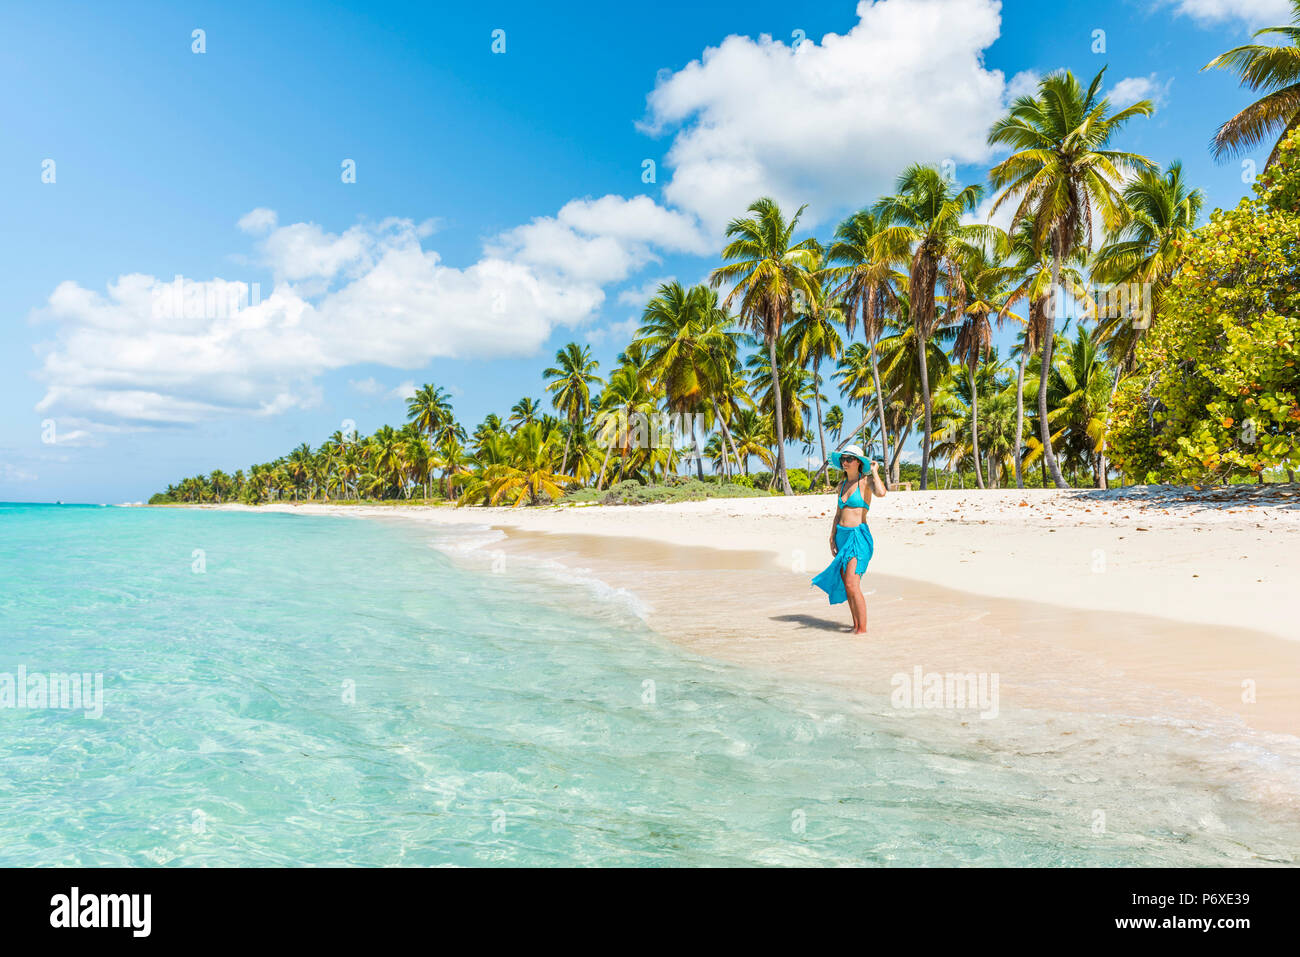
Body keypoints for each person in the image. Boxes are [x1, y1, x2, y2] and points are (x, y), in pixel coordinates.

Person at [811, 444, 886, 634]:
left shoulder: (866, 482)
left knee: (853, 583)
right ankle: (856, 627)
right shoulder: (842, 485)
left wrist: (875, 471)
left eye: (849, 459)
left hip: (858, 537)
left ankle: (863, 631)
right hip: (842, 536)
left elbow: (881, 493)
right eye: (843, 459)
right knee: (848, 586)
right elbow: (838, 513)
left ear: (859, 462)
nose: (845, 462)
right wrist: (832, 536)